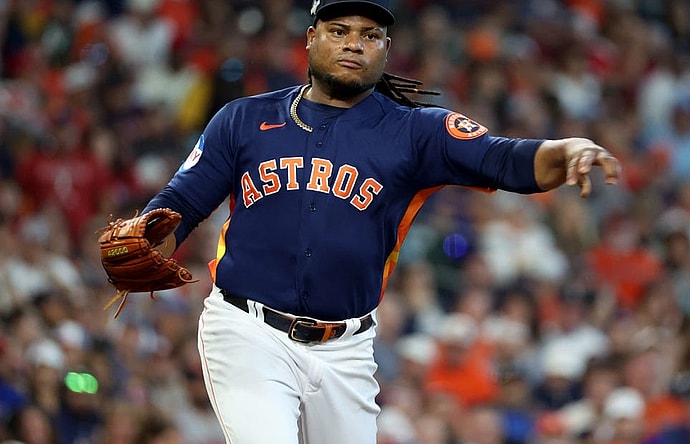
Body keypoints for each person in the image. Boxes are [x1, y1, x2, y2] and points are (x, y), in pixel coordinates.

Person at [133, 0, 621, 442]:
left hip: (345, 350)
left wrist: (569, 150)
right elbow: (181, 203)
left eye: (370, 35)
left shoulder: (415, 131)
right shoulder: (243, 119)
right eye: (339, 29)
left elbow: (507, 160)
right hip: (247, 330)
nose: (353, 43)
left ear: (387, 49)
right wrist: (145, 239)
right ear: (310, 38)